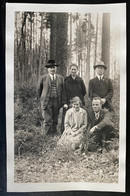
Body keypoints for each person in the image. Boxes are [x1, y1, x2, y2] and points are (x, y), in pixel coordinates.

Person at [37, 60, 65, 135]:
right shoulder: (43, 78)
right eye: (50, 68)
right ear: (47, 69)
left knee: (55, 118)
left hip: (57, 101)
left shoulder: (61, 78)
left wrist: (62, 102)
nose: (52, 69)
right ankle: (47, 136)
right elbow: (39, 90)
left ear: (56, 68)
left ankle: (54, 133)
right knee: (47, 119)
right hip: (47, 101)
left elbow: (63, 91)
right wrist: (42, 99)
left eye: (54, 67)